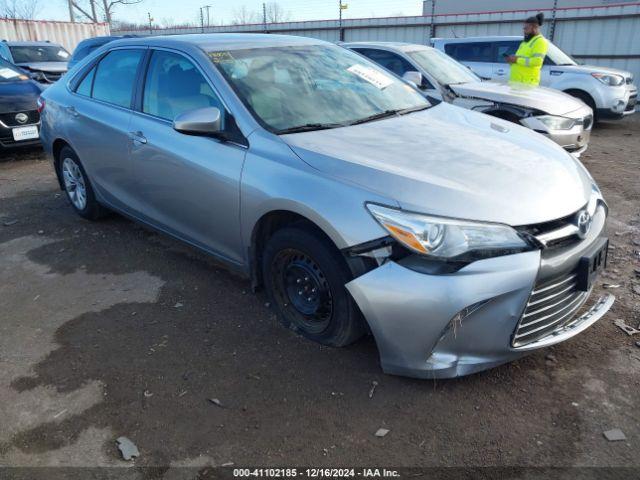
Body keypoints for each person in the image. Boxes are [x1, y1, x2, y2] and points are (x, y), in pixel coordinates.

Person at [506, 13, 548, 86]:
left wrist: (517, 60)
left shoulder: (540, 41)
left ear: (535, 28)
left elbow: (537, 61)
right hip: (517, 82)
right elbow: (520, 60)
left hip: (527, 83)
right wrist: (511, 60)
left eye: (526, 28)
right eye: (524, 28)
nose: (524, 31)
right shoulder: (525, 42)